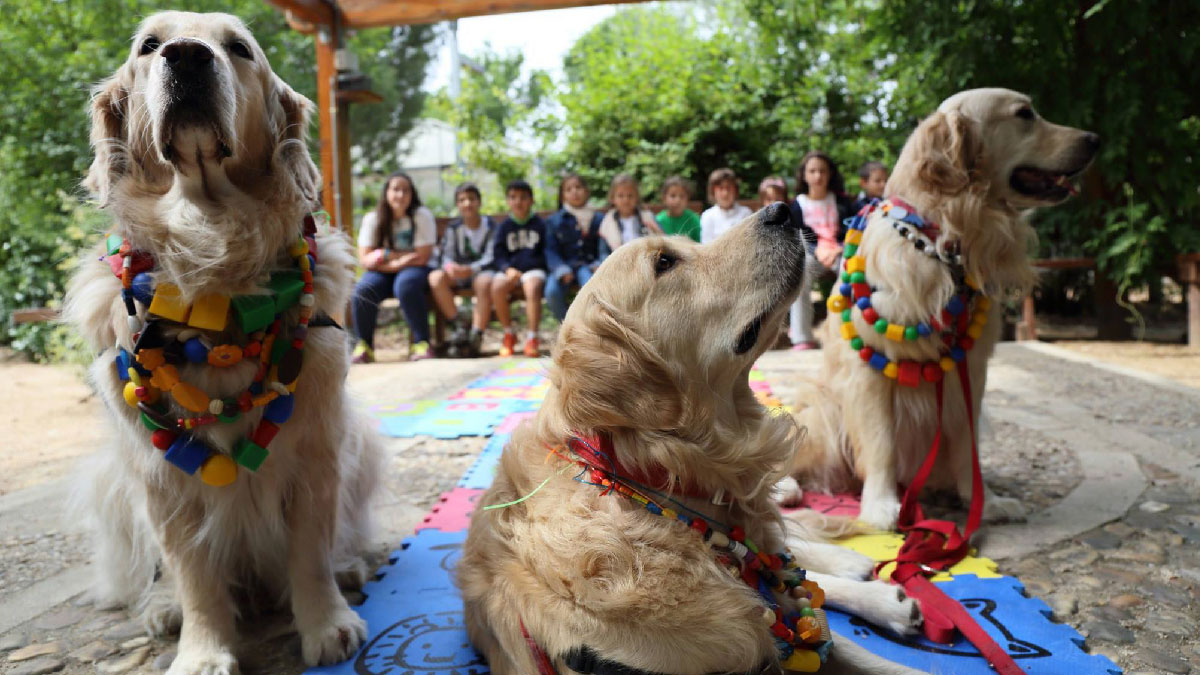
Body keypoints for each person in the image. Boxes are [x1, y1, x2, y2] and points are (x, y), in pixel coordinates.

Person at [351, 171, 437, 363]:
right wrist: (397, 260)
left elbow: (422, 257)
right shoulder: (373, 219)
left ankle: (422, 343)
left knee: (406, 285)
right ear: (386, 192)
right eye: (395, 189)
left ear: (412, 193)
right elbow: (365, 259)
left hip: (415, 269)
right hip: (384, 271)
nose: (400, 195)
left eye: (405, 190)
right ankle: (364, 345)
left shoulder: (421, 216)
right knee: (363, 289)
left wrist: (385, 256)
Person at [787, 151, 855, 350]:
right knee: (802, 268)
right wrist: (816, 250)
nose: (818, 176)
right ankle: (802, 337)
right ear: (804, 175)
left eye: (822, 171)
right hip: (812, 254)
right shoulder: (797, 205)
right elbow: (796, 236)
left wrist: (838, 249)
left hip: (839, 252)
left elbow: (852, 230)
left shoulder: (842, 202)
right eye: (813, 171)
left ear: (830, 174)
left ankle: (847, 332)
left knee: (849, 269)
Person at [429, 183, 495, 358]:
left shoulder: (490, 226)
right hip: (457, 274)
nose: (467, 203)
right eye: (462, 200)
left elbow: (491, 256)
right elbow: (446, 255)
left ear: (479, 202)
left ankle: (476, 333)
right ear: (457, 205)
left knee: (484, 282)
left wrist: (471, 268)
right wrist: (452, 268)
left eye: (471, 199)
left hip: (481, 271)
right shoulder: (453, 228)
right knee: (436, 278)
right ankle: (459, 325)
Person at [490, 180, 548, 358]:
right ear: (508, 201)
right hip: (510, 270)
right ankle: (509, 333)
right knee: (497, 287)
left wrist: (531, 268)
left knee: (532, 287)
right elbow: (498, 254)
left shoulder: (540, 225)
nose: (518, 202)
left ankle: (532, 337)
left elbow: (546, 251)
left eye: (523, 197)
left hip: (533, 269)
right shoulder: (504, 227)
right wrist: (507, 269)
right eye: (513, 197)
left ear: (531, 201)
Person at [544, 173, 609, 322]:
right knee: (552, 292)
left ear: (586, 191)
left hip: (589, 266)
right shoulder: (554, 221)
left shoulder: (599, 218)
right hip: (563, 267)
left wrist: (600, 264)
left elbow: (604, 246)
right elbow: (550, 251)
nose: (574, 191)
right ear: (563, 196)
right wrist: (561, 270)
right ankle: (566, 325)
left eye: (578, 187)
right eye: (568, 189)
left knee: (592, 290)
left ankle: (590, 327)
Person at [597, 173, 662, 251]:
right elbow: (603, 253)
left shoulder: (648, 217)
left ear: (637, 198)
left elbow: (663, 240)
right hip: (619, 261)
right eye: (620, 196)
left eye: (630, 196)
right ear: (613, 198)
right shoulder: (607, 222)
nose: (626, 200)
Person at [699, 168, 753, 244]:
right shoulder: (707, 216)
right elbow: (706, 246)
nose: (725, 193)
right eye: (721, 188)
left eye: (729, 188)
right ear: (713, 191)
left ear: (736, 190)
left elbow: (749, 243)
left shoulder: (746, 214)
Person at [655, 176, 701, 242]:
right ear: (664, 198)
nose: (678, 200)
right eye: (673, 196)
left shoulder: (693, 219)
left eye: (682, 196)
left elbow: (699, 244)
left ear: (687, 199)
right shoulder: (659, 220)